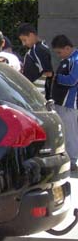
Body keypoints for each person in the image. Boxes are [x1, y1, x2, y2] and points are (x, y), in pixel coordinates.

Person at [51, 34, 78, 173]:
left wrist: (56, 77)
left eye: (59, 52)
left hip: (69, 103)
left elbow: (73, 80)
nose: (59, 55)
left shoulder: (75, 60)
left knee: (71, 133)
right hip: (62, 102)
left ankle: (73, 160)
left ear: (67, 48)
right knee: (65, 131)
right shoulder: (68, 59)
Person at [18, 22, 53, 99]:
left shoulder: (39, 50)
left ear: (31, 35)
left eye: (24, 40)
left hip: (37, 95)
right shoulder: (38, 48)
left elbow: (49, 73)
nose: (23, 44)